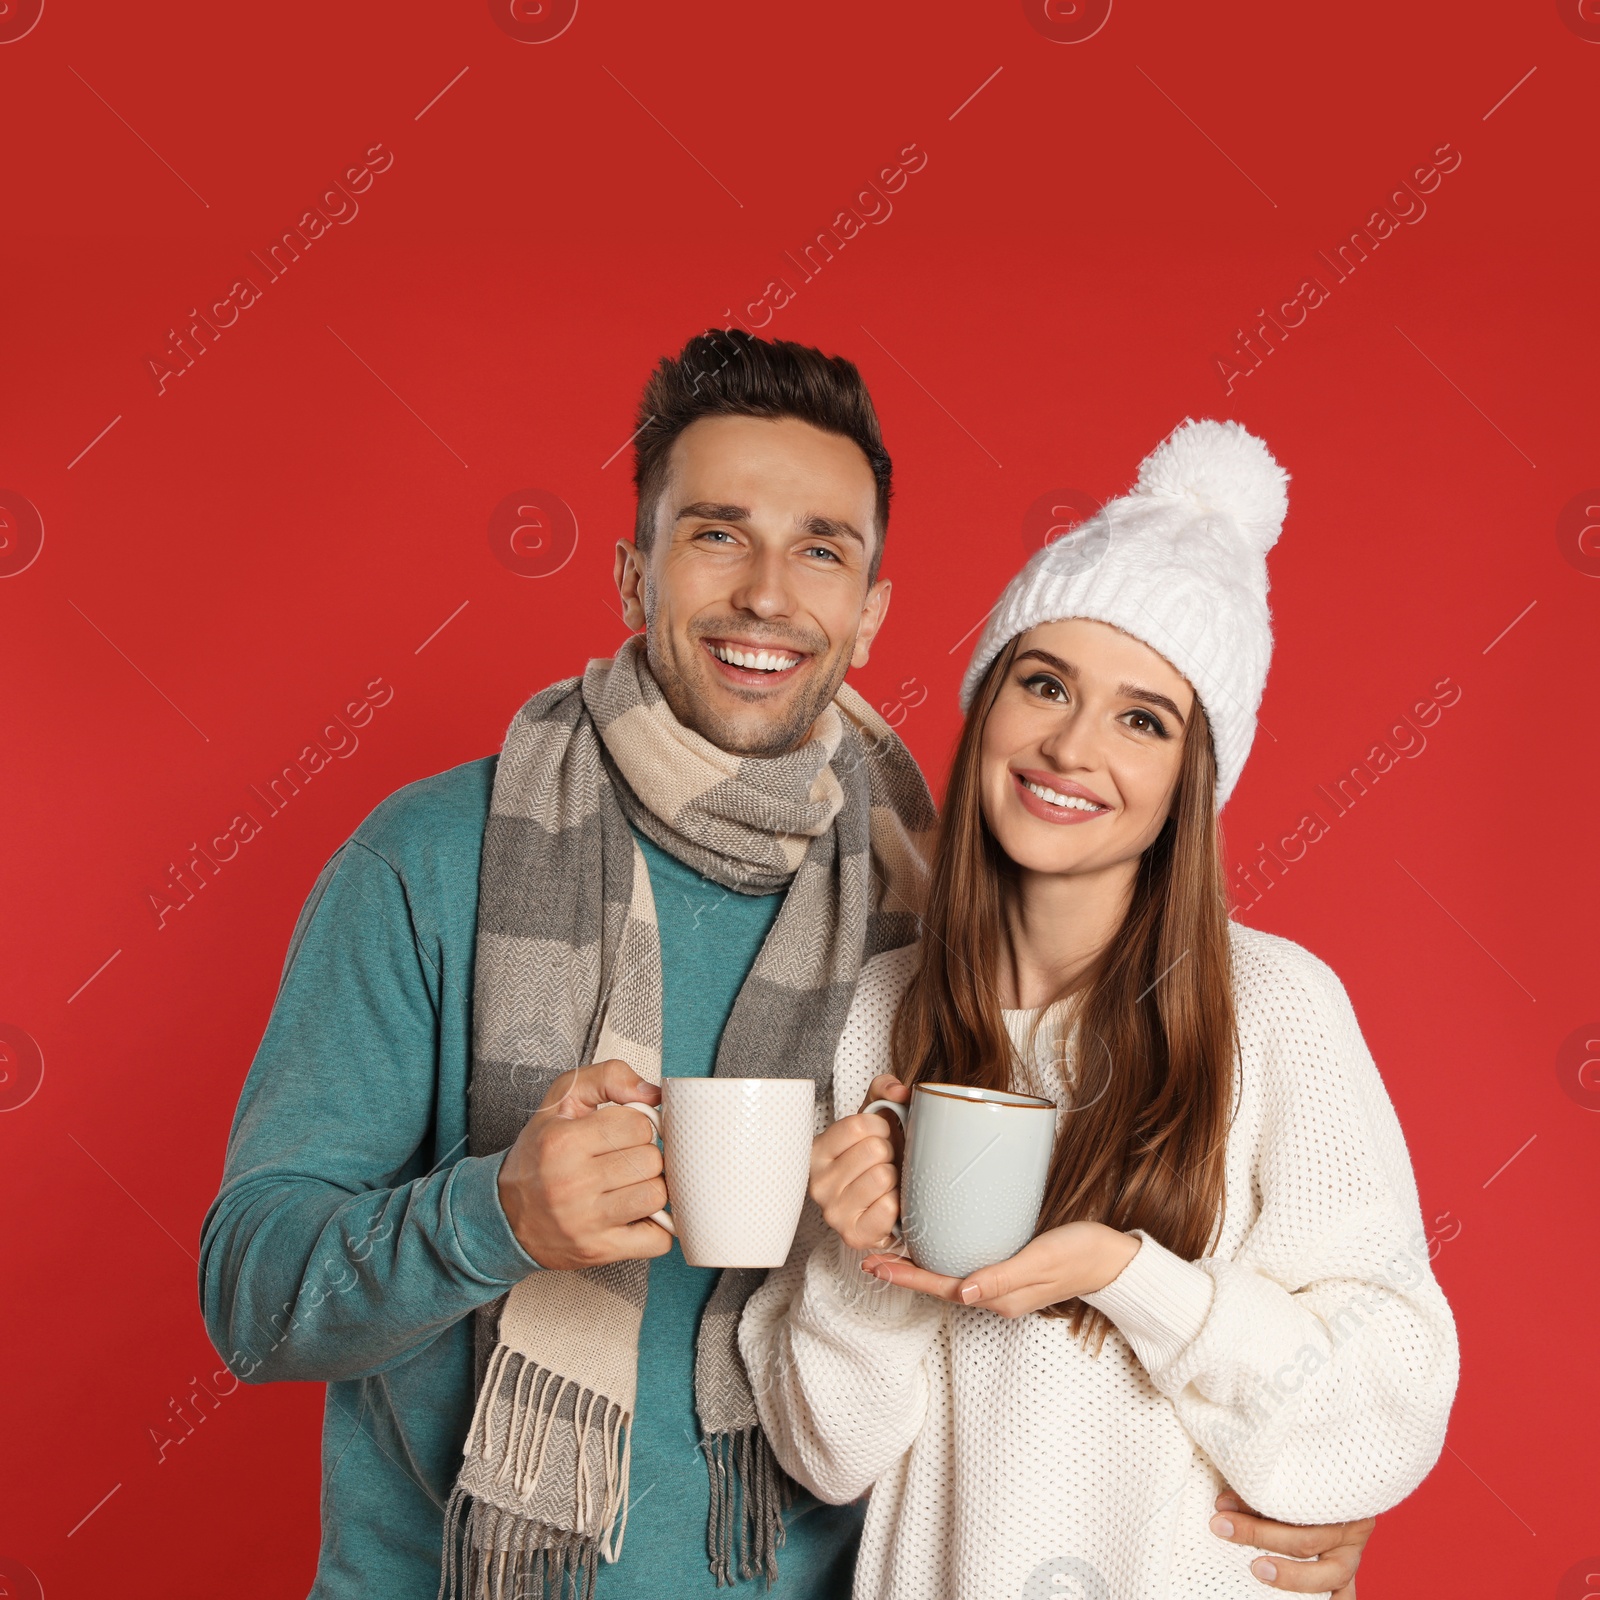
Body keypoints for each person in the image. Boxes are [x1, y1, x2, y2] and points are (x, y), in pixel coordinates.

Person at [200, 334, 1379, 1599]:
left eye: (821, 548)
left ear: (870, 607)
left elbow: (990, 1363)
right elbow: (253, 1299)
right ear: (630, 570)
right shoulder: (430, 860)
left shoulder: (924, 913)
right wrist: (493, 1216)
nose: (769, 593)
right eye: (717, 533)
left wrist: (1288, 1484)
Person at [740, 419, 1458, 1599]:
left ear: (1190, 778)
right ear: (987, 705)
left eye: (1142, 719)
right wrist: (850, 1255)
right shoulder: (880, 1009)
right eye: (1044, 684)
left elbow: (1377, 1407)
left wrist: (1130, 1274)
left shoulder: (1274, 1008)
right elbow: (825, 1455)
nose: (1071, 746)